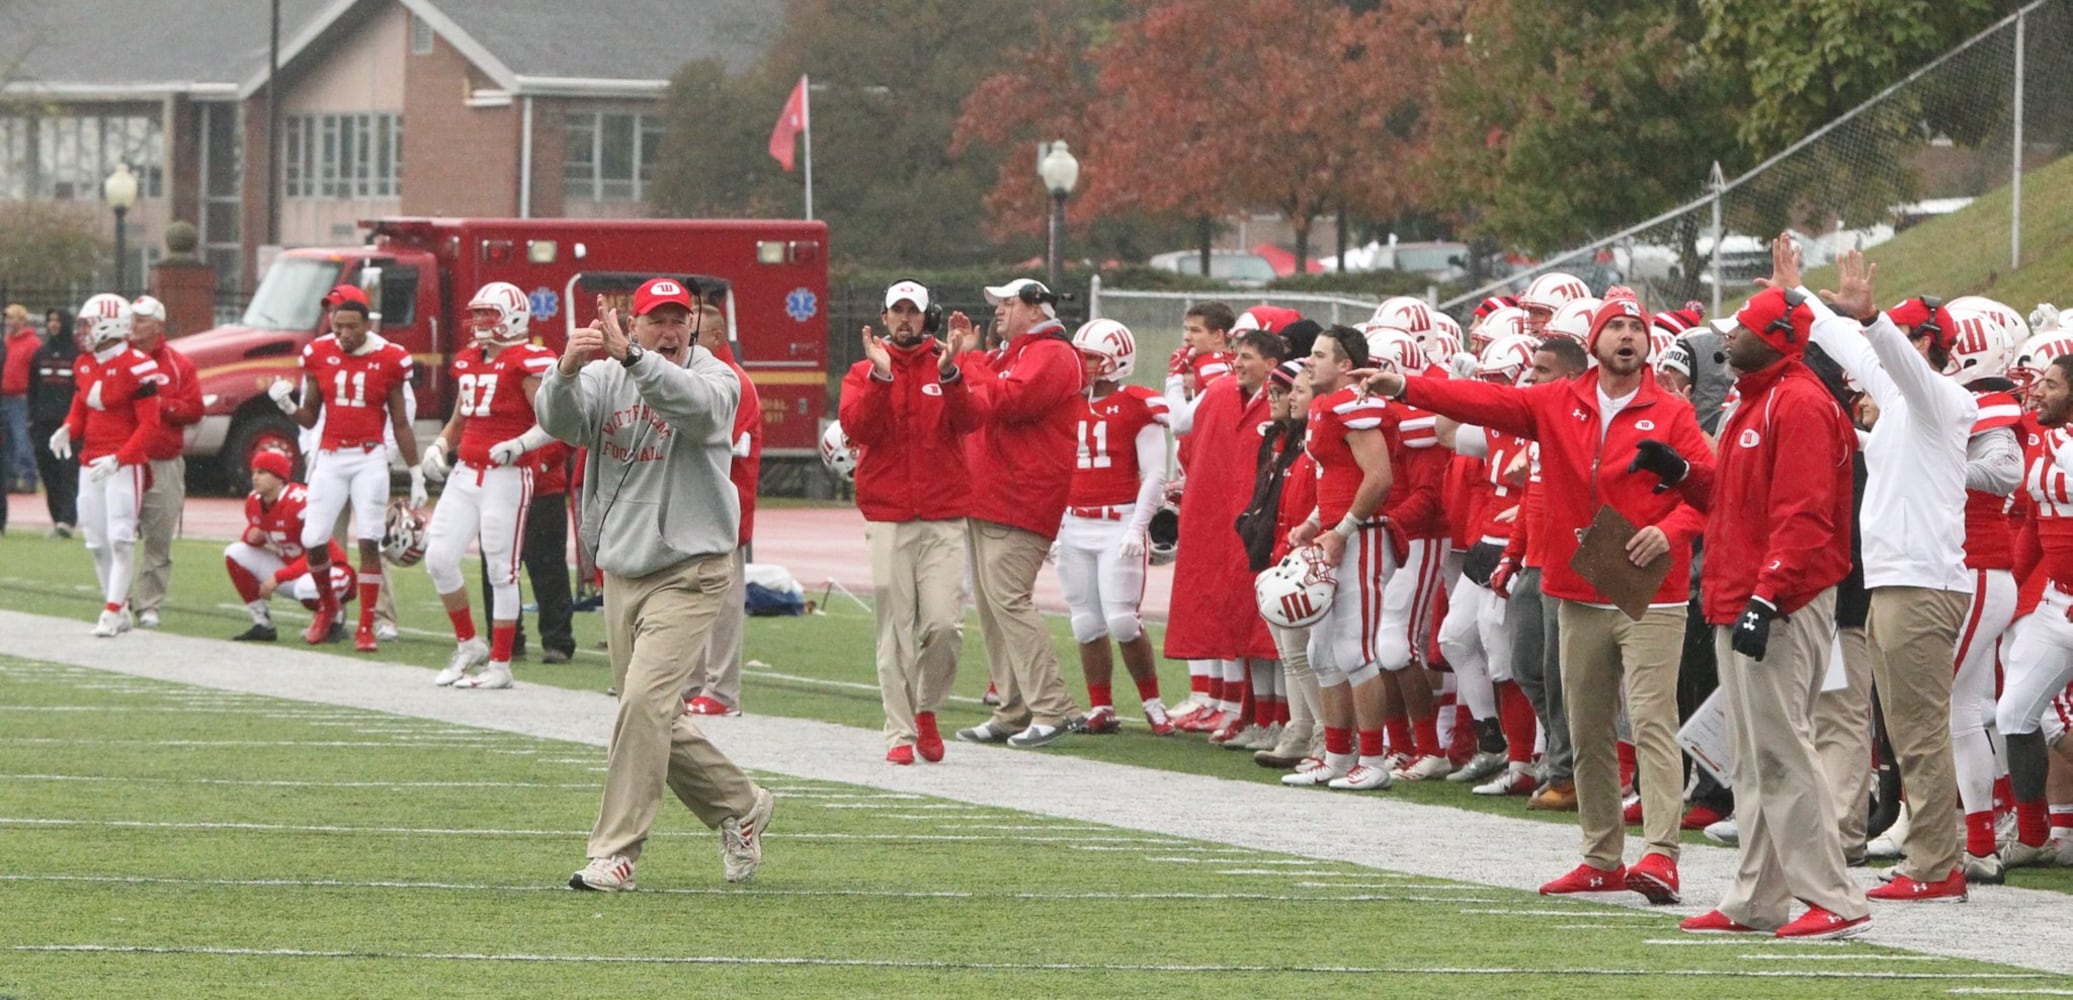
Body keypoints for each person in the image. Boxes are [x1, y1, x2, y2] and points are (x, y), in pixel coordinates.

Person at [1364, 289, 1713, 905]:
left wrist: (1669, 530)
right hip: (1580, 581)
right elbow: (1486, 400)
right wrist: (1406, 388)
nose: (1627, 336)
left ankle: (1661, 857)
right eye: (1617, 327)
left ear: (1649, 343)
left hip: (1650, 588)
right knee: (1585, 726)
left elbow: (1711, 494)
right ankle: (1602, 856)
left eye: (1637, 328)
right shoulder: (1557, 401)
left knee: (1653, 722)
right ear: (1595, 343)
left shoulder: (1674, 412)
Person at [1637, 283, 1871, 940]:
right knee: (1751, 756)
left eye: (1739, 325)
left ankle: (1833, 896)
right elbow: (1733, 499)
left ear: (1773, 339)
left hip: (1777, 601)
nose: (1726, 334)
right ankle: (1755, 897)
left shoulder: (1795, 405)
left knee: (1781, 751)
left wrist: (1768, 596)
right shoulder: (1755, 402)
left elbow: (1802, 515)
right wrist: (1682, 470)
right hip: (1743, 594)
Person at [536, 277, 773, 892]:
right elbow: (562, 424)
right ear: (631, 322)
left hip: (691, 569)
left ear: (693, 324)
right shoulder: (604, 374)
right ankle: (740, 805)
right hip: (623, 567)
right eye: (654, 321)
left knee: (643, 704)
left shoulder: (719, 376)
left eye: (678, 320)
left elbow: (699, 409)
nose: (669, 332)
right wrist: (564, 370)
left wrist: (635, 360)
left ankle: (616, 852)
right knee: (649, 713)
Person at [1784, 240, 1976, 902]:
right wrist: (1795, 294)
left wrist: (1872, 322)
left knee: (1919, 730)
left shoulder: (1943, 400)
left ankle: (1936, 865)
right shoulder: (1897, 406)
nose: (1883, 352)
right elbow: (1846, 345)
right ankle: (1932, 858)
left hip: (1921, 586)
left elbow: (1880, 351)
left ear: (1928, 345)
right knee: (1905, 729)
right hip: (1897, 583)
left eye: (1900, 333)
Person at [840, 279, 978, 764]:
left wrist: (952, 374)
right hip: (888, 516)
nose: (904, 320)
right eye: (896, 311)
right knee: (894, 630)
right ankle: (898, 733)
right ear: (883, 318)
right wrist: (880, 379)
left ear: (927, 317)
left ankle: (926, 709)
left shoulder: (948, 361)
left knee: (944, 626)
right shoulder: (862, 371)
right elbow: (857, 428)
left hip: (942, 516)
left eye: (912, 312)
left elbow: (972, 420)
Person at [945, 278, 1086, 749]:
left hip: (1020, 496)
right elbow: (981, 397)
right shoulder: (1017, 353)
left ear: (1035, 308)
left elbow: (1007, 400)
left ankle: (1053, 706)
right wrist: (972, 359)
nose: (999, 312)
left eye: (1008, 303)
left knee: (1009, 600)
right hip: (991, 493)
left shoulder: (1053, 354)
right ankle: (1012, 707)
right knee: (991, 606)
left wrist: (970, 359)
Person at [419, 282, 558, 689]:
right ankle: (469, 644)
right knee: (439, 558)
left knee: (502, 569)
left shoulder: (527, 360)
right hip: (465, 473)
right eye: (477, 313)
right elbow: (462, 416)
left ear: (512, 317)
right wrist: (441, 444)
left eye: (488, 314)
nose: (479, 321)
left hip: (507, 477)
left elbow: (552, 420)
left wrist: (520, 444)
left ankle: (500, 664)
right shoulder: (468, 361)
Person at [271, 287, 426, 647]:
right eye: (335, 323)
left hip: (370, 456)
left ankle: (368, 626)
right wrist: (287, 407)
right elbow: (310, 418)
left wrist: (414, 470)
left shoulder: (391, 358)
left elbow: (402, 420)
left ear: (366, 323)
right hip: (328, 456)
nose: (341, 333)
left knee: (369, 539)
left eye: (349, 325)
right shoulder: (317, 353)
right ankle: (329, 610)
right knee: (314, 538)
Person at [1281, 325, 1399, 791]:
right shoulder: (1326, 407)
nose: (1309, 361)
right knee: (1321, 653)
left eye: (1319, 354)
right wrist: (1315, 522)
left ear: (1346, 365)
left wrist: (1343, 528)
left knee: (1356, 651)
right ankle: (1336, 753)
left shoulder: (1353, 404)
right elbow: (1338, 478)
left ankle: (1373, 758)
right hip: (1337, 533)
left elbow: (1379, 477)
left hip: (1363, 536)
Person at [1164, 326, 1289, 735]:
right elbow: (1184, 426)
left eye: (1247, 356)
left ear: (1272, 364)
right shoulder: (1220, 394)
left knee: (1273, 627)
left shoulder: (1285, 398)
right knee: (1235, 616)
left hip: (1271, 522)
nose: (1236, 363)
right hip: (1235, 520)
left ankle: (1281, 720)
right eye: (1236, 355)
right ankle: (1239, 709)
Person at [1058, 319, 1173, 737]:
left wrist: (1135, 528)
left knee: (1123, 620)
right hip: (1073, 522)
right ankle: (1101, 706)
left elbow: (1154, 475)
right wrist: (1055, 527)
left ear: (1115, 361)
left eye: (1090, 357)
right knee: (1085, 622)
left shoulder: (1139, 404)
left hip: (1118, 521)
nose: (1082, 364)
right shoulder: (1066, 402)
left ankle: (1153, 703)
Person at [1488, 335, 1592, 800]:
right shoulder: (1539, 429)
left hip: (1570, 566)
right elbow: (1530, 501)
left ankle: (1570, 773)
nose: (1531, 378)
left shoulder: (1587, 427)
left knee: (1560, 674)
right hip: (1534, 563)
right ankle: (1563, 758)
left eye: (1542, 370)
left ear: (1570, 377)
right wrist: (1512, 555)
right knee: (1526, 666)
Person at [49, 294, 162, 636]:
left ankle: (112, 610)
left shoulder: (137, 365)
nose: (83, 331)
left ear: (110, 324)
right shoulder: (85, 363)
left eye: (89, 323)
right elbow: (82, 406)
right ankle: (121, 606)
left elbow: (150, 425)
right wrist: (68, 428)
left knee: (121, 539)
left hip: (123, 464)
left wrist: (121, 458)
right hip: (92, 462)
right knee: (96, 542)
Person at [685, 289, 760, 717]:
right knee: (692, 599)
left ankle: (723, 690)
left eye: (693, 333)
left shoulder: (736, 382)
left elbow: (725, 443)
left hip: (727, 510)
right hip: (696, 510)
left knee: (725, 602)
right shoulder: (700, 377)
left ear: (714, 336)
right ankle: (693, 681)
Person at [126, 295, 203, 629]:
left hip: (163, 461)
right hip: (127, 460)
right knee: (117, 533)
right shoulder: (120, 359)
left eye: (142, 319)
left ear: (158, 324)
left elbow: (194, 409)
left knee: (158, 538)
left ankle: (149, 604)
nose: (134, 325)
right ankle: (116, 597)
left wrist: (158, 405)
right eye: (132, 318)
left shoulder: (177, 365)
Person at [223, 449, 356, 640]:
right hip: (293, 571)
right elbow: (255, 533)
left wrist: (278, 577)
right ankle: (262, 623)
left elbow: (319, 554)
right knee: (235, 552)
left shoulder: (301, 502)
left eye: (262, 472)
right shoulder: (254, 500)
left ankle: (334, 621)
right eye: (254, 472)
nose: (255, 477)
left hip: (329, 570)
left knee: (307, 588)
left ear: (279, 477)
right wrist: (252, 536)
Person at [27, 310, 78, 537]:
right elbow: (33, 389)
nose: (53, 325)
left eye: (57, 320)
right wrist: (32, 418)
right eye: (50, 321)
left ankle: (67, 520)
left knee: (68, 471)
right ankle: (57, 517)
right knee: (48, 472)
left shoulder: (76, 354)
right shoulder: (41, 353)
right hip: (43, 424)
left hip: (67, 424)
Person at [3, 302, 39, 493]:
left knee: (21, 439)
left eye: (11, 317)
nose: (8, 321)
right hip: (4, 396)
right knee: (6, 440)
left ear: (21, 320)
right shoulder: (7, 342)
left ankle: (28, 477)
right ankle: (9, 478)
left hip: (20, 398)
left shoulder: (32, 344)